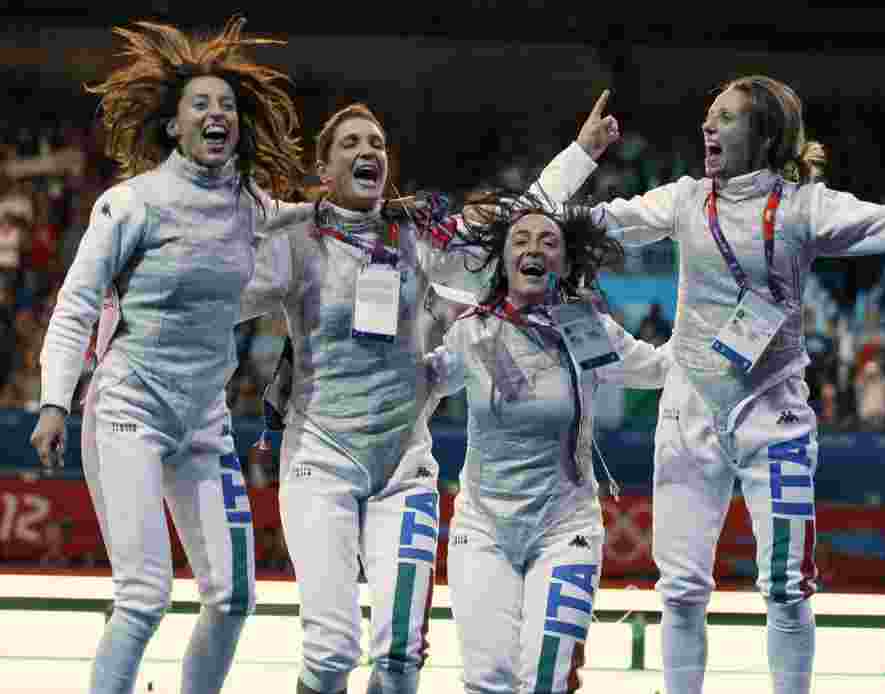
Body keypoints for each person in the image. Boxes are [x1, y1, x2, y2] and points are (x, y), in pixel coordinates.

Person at [536, 82, 885, 694]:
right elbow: (559, 224)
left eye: (725, 119)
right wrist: (580, 154)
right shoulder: (683, 201)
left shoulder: (802, 208)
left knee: (787, 586)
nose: (708, 128)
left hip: (774, 416)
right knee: (679, 589)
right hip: (689, 409)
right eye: (706, 118)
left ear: (763, 136)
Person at [237, 102, 585, 694]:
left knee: (400, 658)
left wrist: (583, 153)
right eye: (349, 144)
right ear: (324, 172)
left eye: (375, 140)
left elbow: (519, 226)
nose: (367, 150)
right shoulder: (296, 239)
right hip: (318, 459)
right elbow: (224, 298)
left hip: (404, 464)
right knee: (330, 652)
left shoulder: (417, 232)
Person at [29, 17, 307, 694]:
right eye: (201, 105)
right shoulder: (132, 204)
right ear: (173, 127)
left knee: (234, 596)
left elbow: (305, 240)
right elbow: (76, 303)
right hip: (128, 409)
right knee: (145, 593)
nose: (218, 115)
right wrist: (54, 402)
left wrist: (385, 218)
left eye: (227, 106)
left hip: (203, 420)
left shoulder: (252, 207)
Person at [423, 192, 673, 694]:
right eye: (520, 238)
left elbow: (660, 369)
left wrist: (728, 339)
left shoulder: (586, 328)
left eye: (548, 240)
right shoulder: (474, 333)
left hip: (566, 530)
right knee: (487, 680)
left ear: (564, 261)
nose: (533, 247)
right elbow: (416, 388)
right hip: (484, 528)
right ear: (503, 260)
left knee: (548, 682)